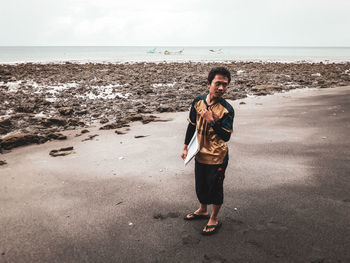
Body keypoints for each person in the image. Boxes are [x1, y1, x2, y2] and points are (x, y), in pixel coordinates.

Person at [181, 67, 234, 235]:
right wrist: (185, 147)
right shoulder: (198, 101)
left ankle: (214, 218)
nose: (221, 88)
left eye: (225, 85)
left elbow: (226, 137)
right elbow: (192, 125)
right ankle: (203, 210)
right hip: (199, 153)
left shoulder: (227, 109)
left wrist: (212, 121)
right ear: (209, 84)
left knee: (215, 188)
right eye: (217, 83)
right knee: (201, 185)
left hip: (217, 156)